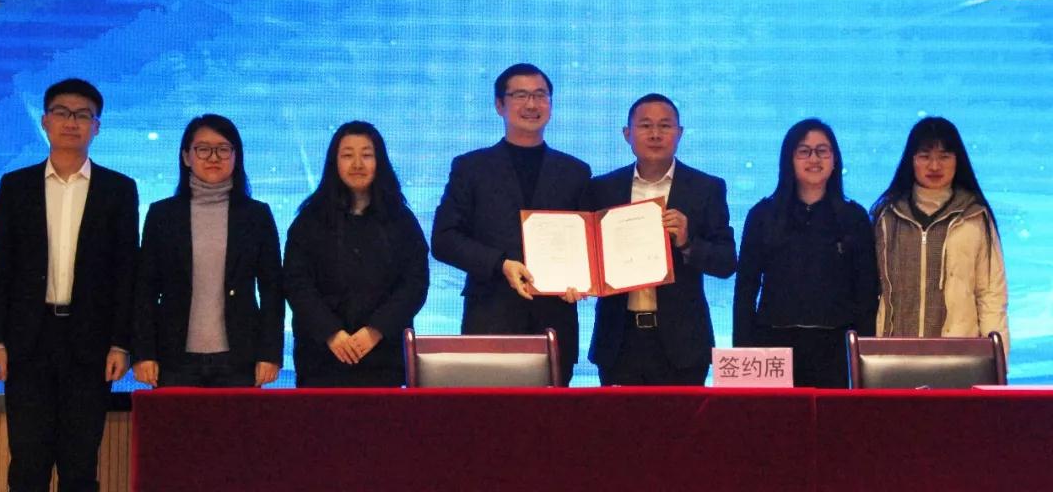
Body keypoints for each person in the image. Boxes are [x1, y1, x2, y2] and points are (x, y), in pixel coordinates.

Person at [0, 78, 138, 492]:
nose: (72, 122)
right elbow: (0, 267)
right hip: (28, 341)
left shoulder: (119, 190)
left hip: (90, 343)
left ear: (97, 127)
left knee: (80, 463)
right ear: (46, 121)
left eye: (83, 115)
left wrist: (120, 344)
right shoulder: (16, 186)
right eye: (63, 113)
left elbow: (126, 273)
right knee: (28, 461)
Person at [432, 64, 590, 385]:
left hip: (555, 323)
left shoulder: (575, 172)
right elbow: (444, 239)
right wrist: (500, 264)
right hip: (490, 319)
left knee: (553, 416)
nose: (531, 104)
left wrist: (583, 280)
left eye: (540, 95)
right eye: (520, 95)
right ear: (499, 105)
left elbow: (587, 243)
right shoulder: (471, 168)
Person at [587, 93, 736, 386]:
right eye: (645, 126)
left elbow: (726, 262)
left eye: (665, 126)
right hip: (619, 341)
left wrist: (687, 242)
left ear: (679, 133)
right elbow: (587, 253)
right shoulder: (602, 189)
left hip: (683, 344)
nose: (655, 134)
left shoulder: (706, 188)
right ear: (627, 134)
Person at [132, 114, 284, 388]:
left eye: (223, 149)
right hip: (174, 358)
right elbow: (145, 289)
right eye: (203, 149)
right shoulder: (162, 215)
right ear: (186, 157)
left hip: (240, 358)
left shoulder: (257, 215)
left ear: (236, 156)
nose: (213, 157)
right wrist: (144, 353)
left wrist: (270, 354)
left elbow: (272, 290)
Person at [733, 118, 879, 388]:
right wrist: (743, 351)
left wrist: (864, 352)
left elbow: (867, 293)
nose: (814, 159)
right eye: (804, 151)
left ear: (835, 160)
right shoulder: (763, 215)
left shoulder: (853, 217)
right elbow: (745, 289)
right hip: (773, 346)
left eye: (822, 151)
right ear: (789, 159)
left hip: (836, 349)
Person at [283, 121, 429, 387]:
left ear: (380, 161)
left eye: (367, 155)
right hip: (322, 358)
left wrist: (375, 330)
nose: (358, 164)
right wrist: (331, 333)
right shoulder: (310, 220)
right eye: (348, 155)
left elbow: (414, 283)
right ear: (334, 162)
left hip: (384, 357)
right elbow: (297, 284)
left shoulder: (401, 220)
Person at [869, 116, 1008, 351]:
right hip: (895, 355)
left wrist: (998, 358)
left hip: (958, 356)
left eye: (944, 156)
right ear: (911, 161)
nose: (934, 166)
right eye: (925, 156)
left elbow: (991, 296)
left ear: (958, 160)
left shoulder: (974, 216)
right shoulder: (886, 216)